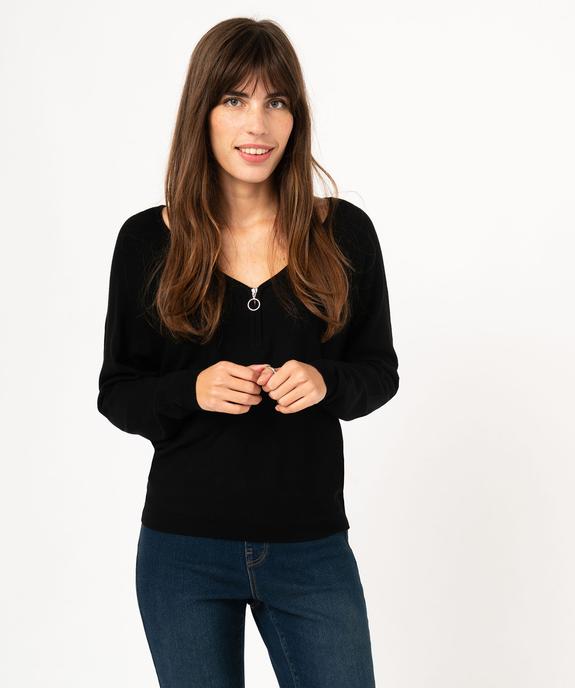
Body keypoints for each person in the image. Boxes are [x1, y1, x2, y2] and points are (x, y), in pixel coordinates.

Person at [97, 16, 399, 688]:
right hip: (183, 553)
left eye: (275, 101)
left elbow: (380, 372)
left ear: (295, 117)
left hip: (312, 549)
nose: (256, 124)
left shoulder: (343, 232)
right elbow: (117, 391)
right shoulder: (148, 241)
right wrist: (190, 390)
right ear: (202, 113)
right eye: (234, 99)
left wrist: (325, 382)